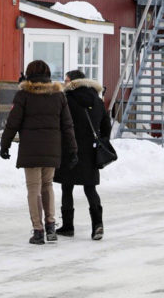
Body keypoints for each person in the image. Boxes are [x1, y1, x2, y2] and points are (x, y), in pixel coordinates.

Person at [0, 60, 77, 245]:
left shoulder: (24, 95)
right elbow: (67, 125)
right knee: (48, 185)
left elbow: (13, 122)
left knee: (33, 188)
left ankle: (38, 230)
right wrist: (73, 149)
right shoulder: (58, 95)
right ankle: (51, 226)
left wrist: (5, 144)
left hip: (31, 149)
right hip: (52, 148)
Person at [54, 69, 111, 241]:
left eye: (66, 80)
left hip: (69, 150)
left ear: (72, 82)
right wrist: (100, 140)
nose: (64, 83)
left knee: (66, 186)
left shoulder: (66, 99)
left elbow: (60, 124)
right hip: (90, 151)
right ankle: (97, 225)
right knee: (90, 188)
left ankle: (68, 226)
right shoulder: (97, 99)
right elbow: (106, 126)